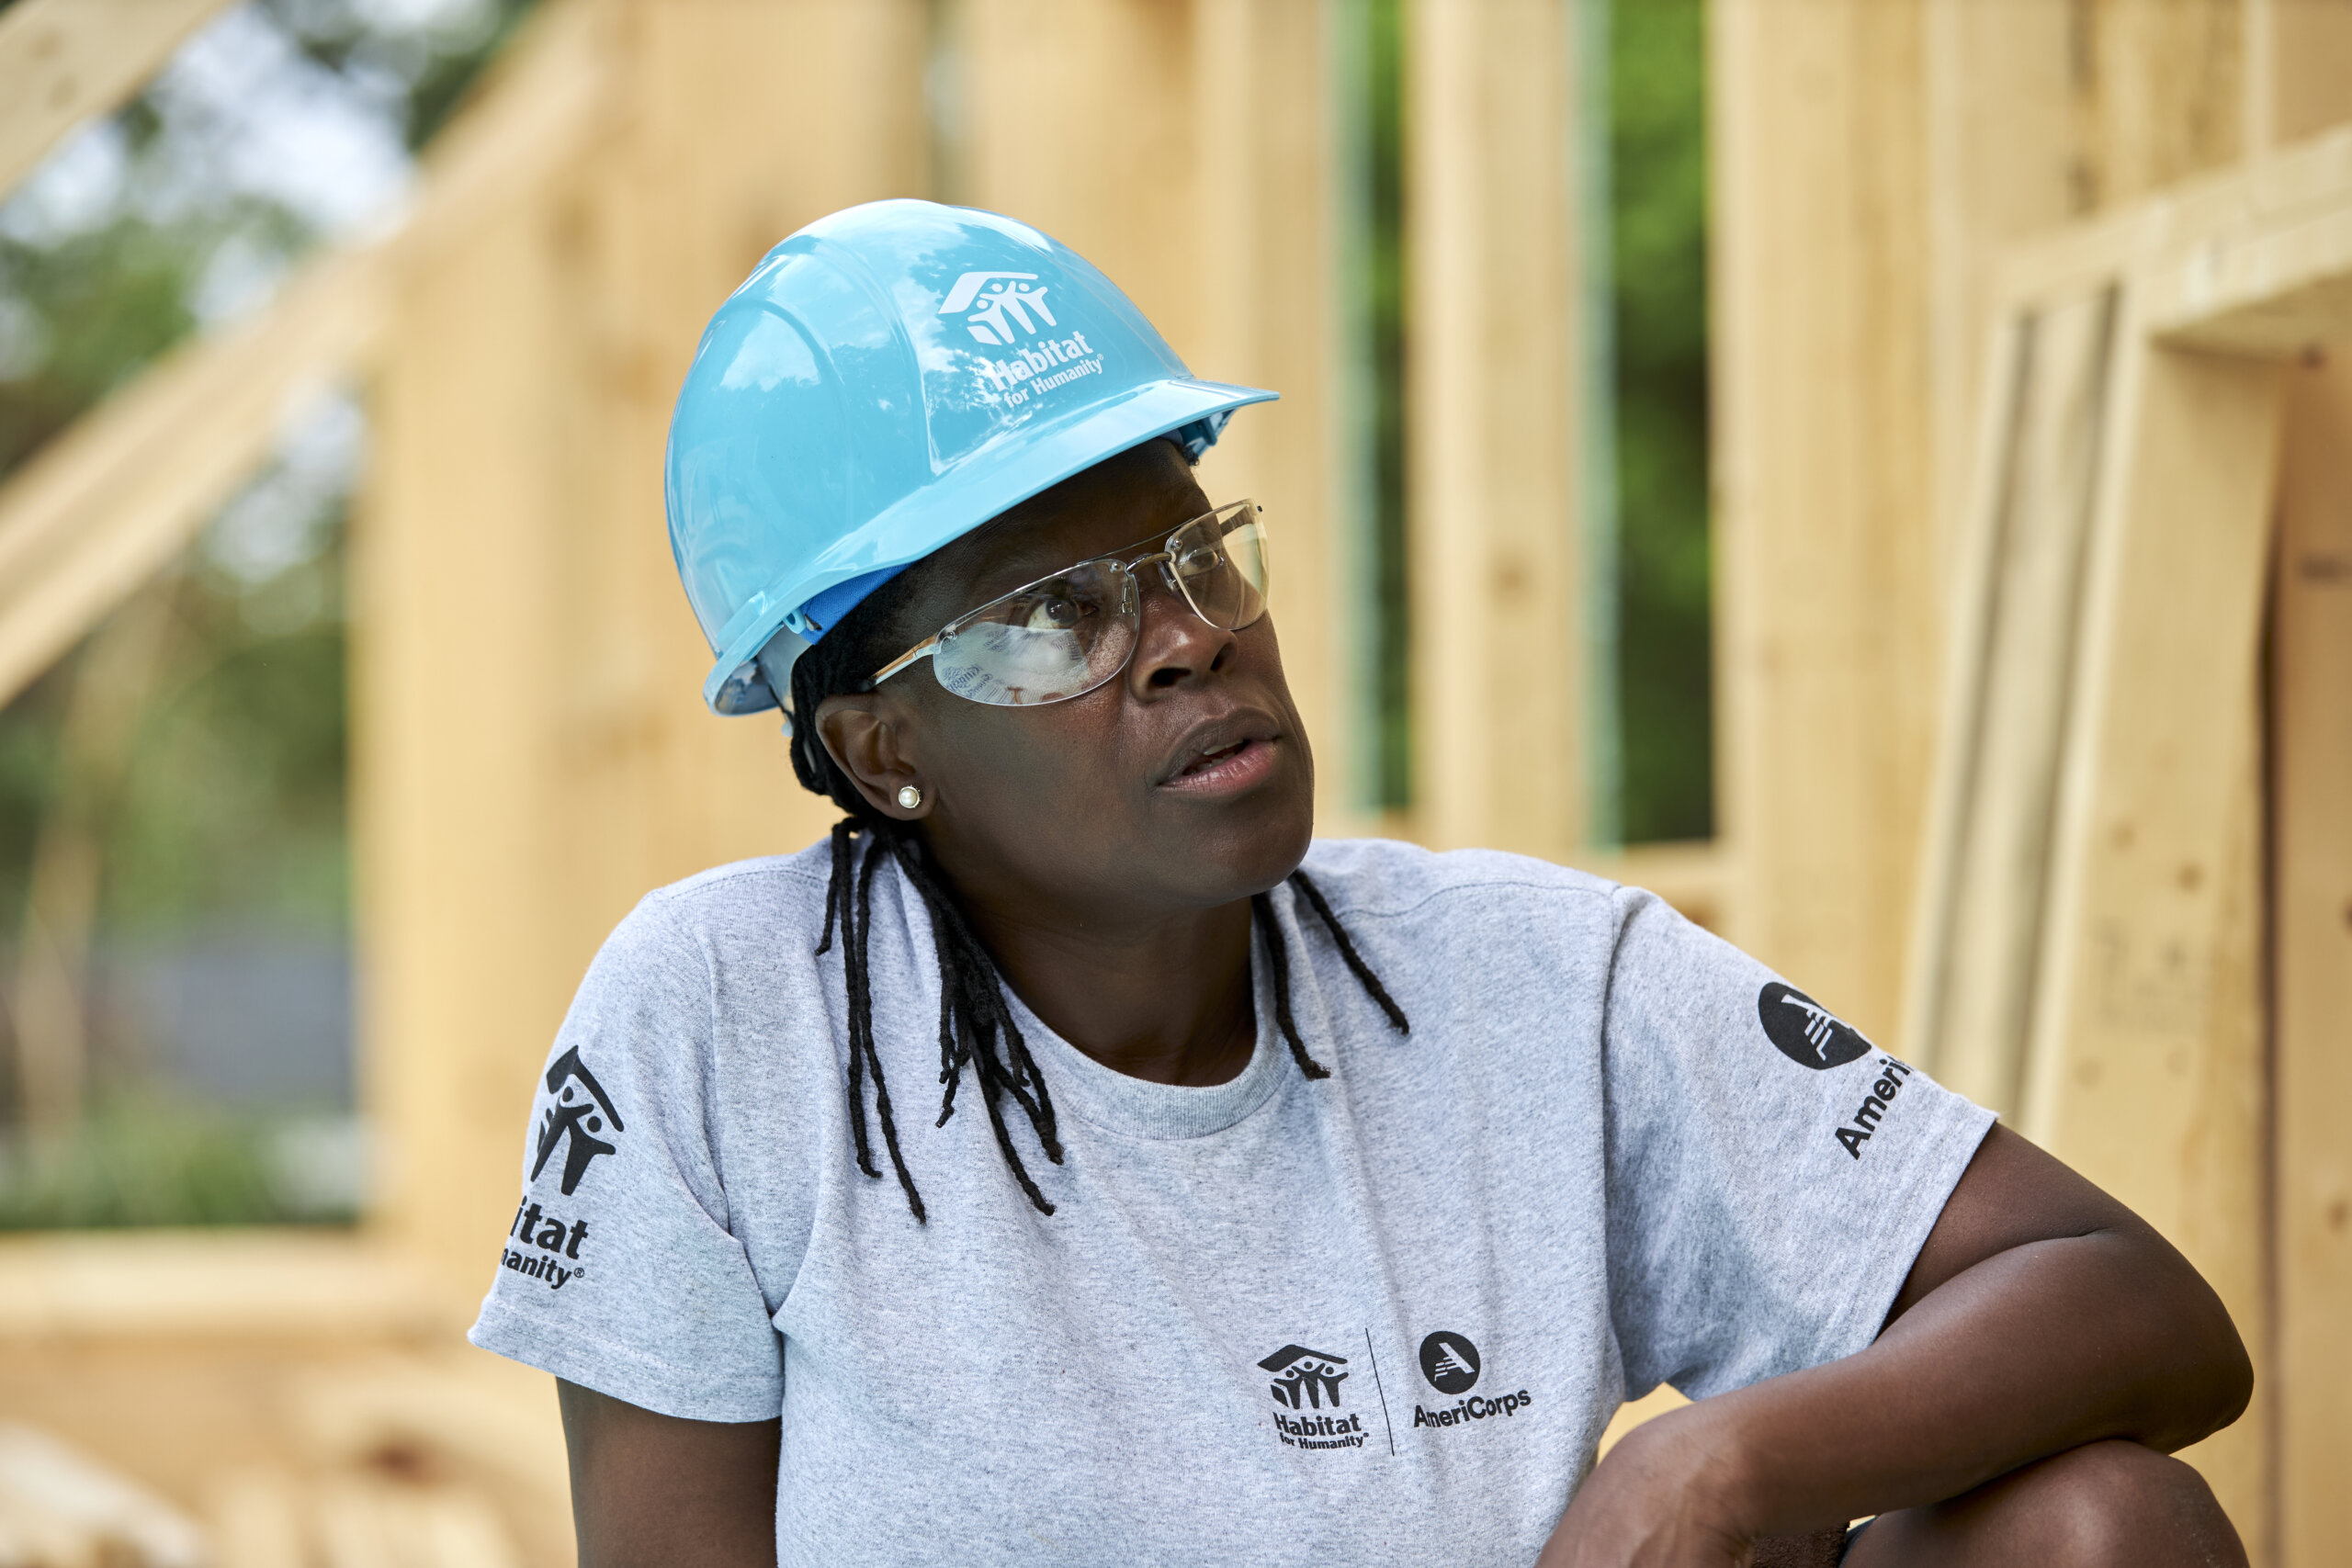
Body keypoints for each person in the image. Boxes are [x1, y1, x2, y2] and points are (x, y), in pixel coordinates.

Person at [467, 201, 2252, 1567]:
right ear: (878, 752)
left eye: (1191, 550)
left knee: (2099, 1521)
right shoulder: (727, 1013)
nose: (1181, 639)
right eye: (1055, 614)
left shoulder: (1534, 976)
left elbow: (2135, 1304)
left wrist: (1720, 1456)